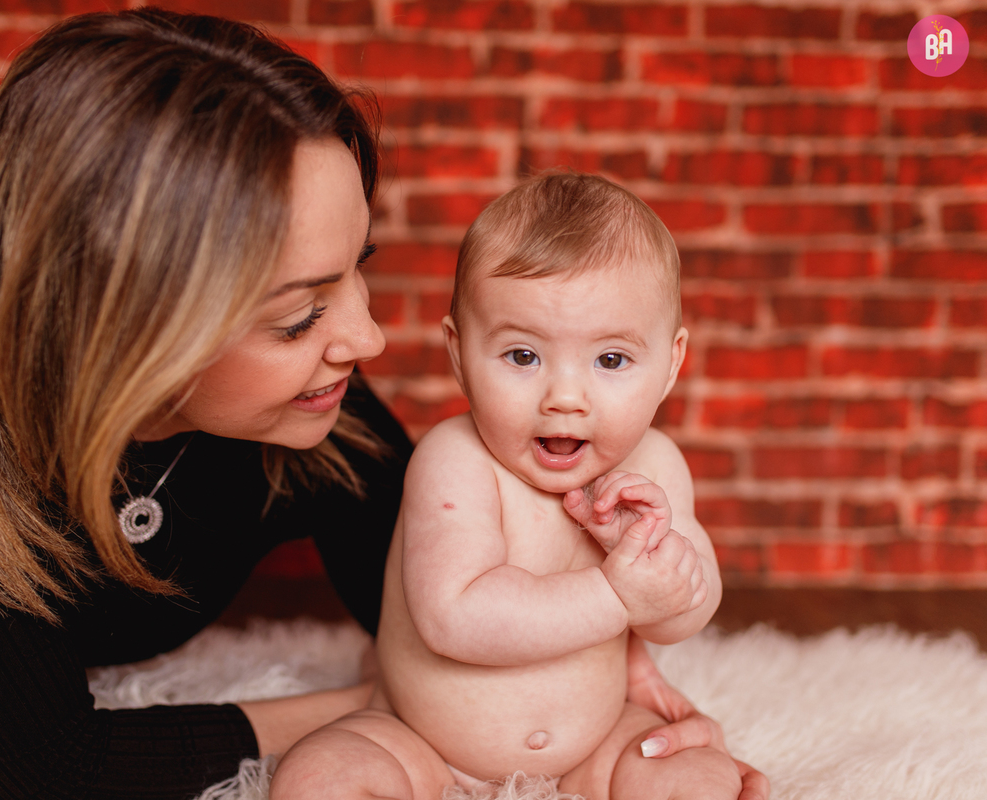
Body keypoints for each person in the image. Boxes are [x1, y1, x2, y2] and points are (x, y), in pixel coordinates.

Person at [0, 10, 763, 799]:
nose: (368, 338)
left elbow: (450, 591)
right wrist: (347, 712)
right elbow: (48, 767)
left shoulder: (309, 398)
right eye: (299, 314)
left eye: (354, 277)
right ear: (135, 328)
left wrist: (614, 684)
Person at [271, 172, 762, 800]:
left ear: (670, 364)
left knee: (697, 775)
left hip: (596, 742)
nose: (564, 398)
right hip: (424, 741)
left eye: (611, 360)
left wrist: (653, 567)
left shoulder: (656, 465)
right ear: (459, 352)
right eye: (522, 356)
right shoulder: (454, 460)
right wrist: (616, 596)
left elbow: (685, 609)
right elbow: (455, 617)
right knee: (319, 778)